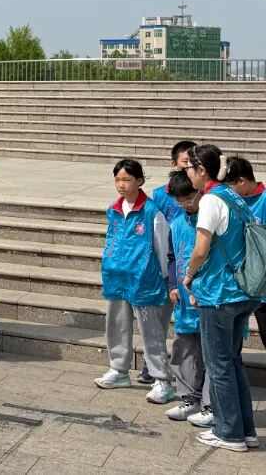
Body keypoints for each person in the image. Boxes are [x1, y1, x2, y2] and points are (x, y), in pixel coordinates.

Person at [184, 144, 260, 452]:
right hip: (242, 292)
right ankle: (246, 431)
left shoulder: (211, 200)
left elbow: (201, 250)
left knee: (218, 366)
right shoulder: (235, 196)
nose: (187, 175)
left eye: (189, 169)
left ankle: (229, 433)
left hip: (219, 294)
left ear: (202, 170)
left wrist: (189, 275)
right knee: (233, 362)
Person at [94, 159, 175, 402]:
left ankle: (162, 380)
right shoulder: (113, 208)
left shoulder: (152, 212)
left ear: (139, 181)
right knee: (116, 325)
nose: (121, 184)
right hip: (117, 277)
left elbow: (163, 249)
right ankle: (119, 370)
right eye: (117, 179)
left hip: (145, 280)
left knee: (152, 332)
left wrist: (163, 277)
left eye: (127, 180)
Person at [138, 139, 196, 385]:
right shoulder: (161, 195)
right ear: (174, 164)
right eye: (185, 162)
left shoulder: (203, 193)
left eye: (193, 163)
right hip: (168, 263)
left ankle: (192, 374)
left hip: (192, 264)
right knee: (158, 320)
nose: (189, 167)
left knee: (190, 324)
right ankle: (152, 366)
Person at [164, 169, 212, 422]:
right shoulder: (176, 223)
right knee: (184, 349)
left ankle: (210, 405)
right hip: (183, 297)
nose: (185, 205)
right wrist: (173, 284)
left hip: (208, 295)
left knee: (211, 353)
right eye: (179, 201)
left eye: (188, 199)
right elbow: (172, 257)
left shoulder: (210, 219)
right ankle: (188, 399)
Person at [226, 157, 266, 349]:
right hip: (241, 282)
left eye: (230, 186)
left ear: (241, 181)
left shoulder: (264, 200)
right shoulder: (232, 202)